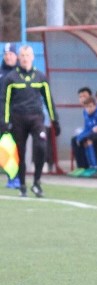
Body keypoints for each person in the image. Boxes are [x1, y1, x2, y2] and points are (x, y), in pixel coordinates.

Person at [0, 44, 60, 197]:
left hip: (36, 118)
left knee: (41, 147)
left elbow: (48, 99)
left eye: (28, 55)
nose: (25, 59)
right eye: (23, 56)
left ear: (32, 57)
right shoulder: (11, 78)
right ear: (19, 58)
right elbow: (4, 101)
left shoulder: (40, 77)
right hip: (18, 119)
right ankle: (22, 184)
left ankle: (37, 183)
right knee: (20, 152)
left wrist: (55, 120)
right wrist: (4, 122)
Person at [0, 43, 20, 189]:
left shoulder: (22, 72)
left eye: (10, 53)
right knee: (5, 146)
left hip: (18, 114)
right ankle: (11, 177)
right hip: (2, 115)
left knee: (17, 146)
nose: (8, 56)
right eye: (6, 54)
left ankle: (18, 177)